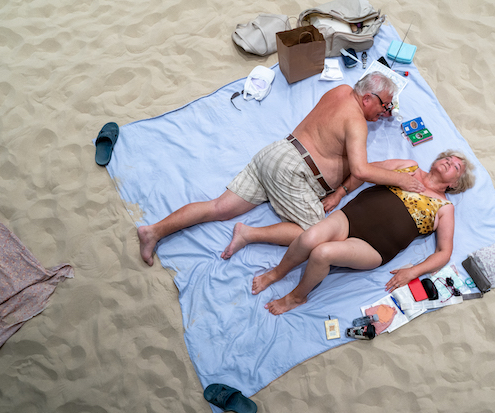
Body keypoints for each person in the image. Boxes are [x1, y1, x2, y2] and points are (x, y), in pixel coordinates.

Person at [138, 72, 424, 266]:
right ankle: (248, 233)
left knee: (217, 207)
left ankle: (153, 231)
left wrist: (339, 192)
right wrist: (404, 182)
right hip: (294, 173)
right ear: (367, 98)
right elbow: (361, 170)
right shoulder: (357, 122)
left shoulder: (340, 91)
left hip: (276, 153)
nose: (385, 113)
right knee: (316, 233)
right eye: (385, 106)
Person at [249, 150, 476, 315]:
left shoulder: (444, 207)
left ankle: (297, 296)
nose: (448, 162)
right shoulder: (409, 166)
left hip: (373, 248)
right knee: (308, 238)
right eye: (447, 158)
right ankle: (277, 272)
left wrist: (413, 272)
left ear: (455, 184)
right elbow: (365, 170)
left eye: (456, 166)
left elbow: (444, 252)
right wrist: (340, 193)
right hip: (348, 218)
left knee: (322, 253)